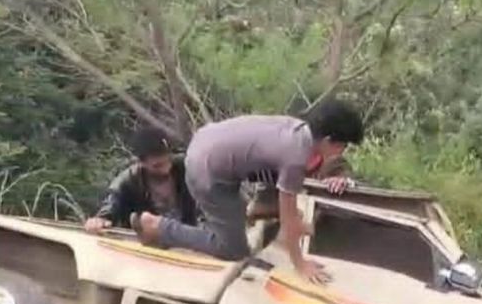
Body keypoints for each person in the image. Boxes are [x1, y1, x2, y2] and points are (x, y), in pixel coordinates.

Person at [130, 99, 365, 283]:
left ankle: (246, 213)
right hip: (207, 171)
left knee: (251, 213)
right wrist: (300, 264)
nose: (342, 151)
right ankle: (158, 227)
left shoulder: (297, 128)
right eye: (343, 146)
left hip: (209, 145)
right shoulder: (296, 156)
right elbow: (288, 219)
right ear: (328, 140)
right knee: (232, 250)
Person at [85, 127, 197, 234]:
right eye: (157, 166)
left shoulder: (187, 167)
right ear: (141, 163)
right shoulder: (127, 181)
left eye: (168, 161)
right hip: (147, 243)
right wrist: (99, 220)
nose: (166, 169)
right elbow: (110, 206)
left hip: (189, 236)